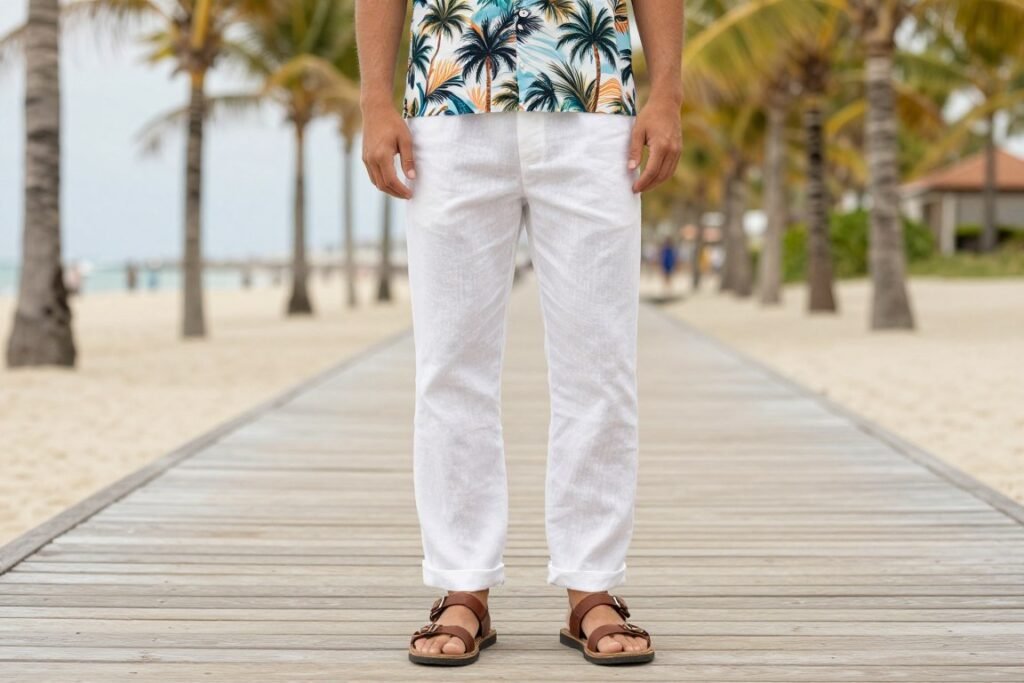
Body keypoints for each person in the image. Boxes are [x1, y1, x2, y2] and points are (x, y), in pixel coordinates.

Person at [356, 0, 684, 667]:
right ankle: (462, 587)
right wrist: (374, 102)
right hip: (447, 106)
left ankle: (592, 586)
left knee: (600, 364)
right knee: (450, 366)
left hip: (593, 105)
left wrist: (668, 95)